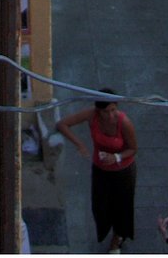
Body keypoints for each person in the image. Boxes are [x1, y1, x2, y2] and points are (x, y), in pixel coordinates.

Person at [56, 90, 137, 254]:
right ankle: (107, 229)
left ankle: (118, 237)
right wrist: (79, 144)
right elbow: (62, 124)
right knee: (100, 205)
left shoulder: (124, 122)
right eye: (106, 112)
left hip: (123, 171)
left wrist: (117, 157)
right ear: (98, 110)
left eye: (113, 110)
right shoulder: (91, 115)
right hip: (100, 169)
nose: (110, 115)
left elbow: (133, 149)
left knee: (122, 206)